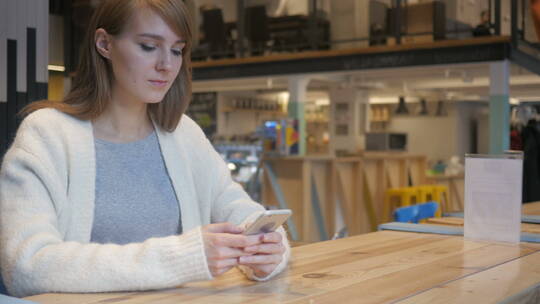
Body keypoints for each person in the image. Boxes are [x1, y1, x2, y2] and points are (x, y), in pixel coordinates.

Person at [0, 0, 289, 298]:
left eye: (177, 50)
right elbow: (27, 267)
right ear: (104, 44)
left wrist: (269, 249)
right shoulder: (46, 135)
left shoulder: (183, 134)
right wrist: (183, 257)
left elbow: (242, 210)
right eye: (149, 46)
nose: (166, 65)